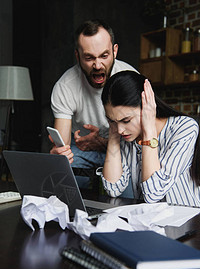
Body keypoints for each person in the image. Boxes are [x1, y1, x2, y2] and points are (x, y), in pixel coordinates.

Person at [50, 19, 137, 193]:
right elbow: (63, 143)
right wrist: (59, 154)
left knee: (128, 197)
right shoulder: (65, 86)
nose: (97, 66)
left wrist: (103, 143)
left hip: (122, 146)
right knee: (63, 180)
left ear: (115, 51)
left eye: (104, 56)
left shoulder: (131, 79)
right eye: (89, 58)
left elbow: (138, 139)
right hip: (81, 148)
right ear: (78, 56)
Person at [99, 70, 200, 206]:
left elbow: (153, 194)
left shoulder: (184, 128)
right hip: (147, 222)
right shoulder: (123, 134)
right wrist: (113, 134)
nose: (120, 130)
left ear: (147, 107)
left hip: (186, 222)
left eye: (126, 120)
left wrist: (149, 129)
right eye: (112, 120)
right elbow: (113, 189)